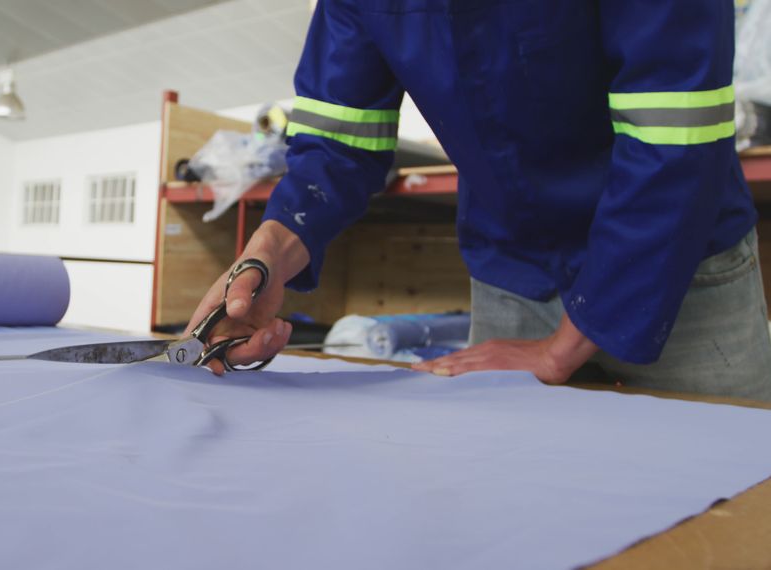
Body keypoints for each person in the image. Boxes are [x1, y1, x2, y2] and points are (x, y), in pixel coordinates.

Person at [185, 0, 771, 401]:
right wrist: (270, 249)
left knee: (725, 499)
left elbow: (675, 140)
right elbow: (339, 140)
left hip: (679, 270)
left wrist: (556, 353)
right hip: (513, 270)